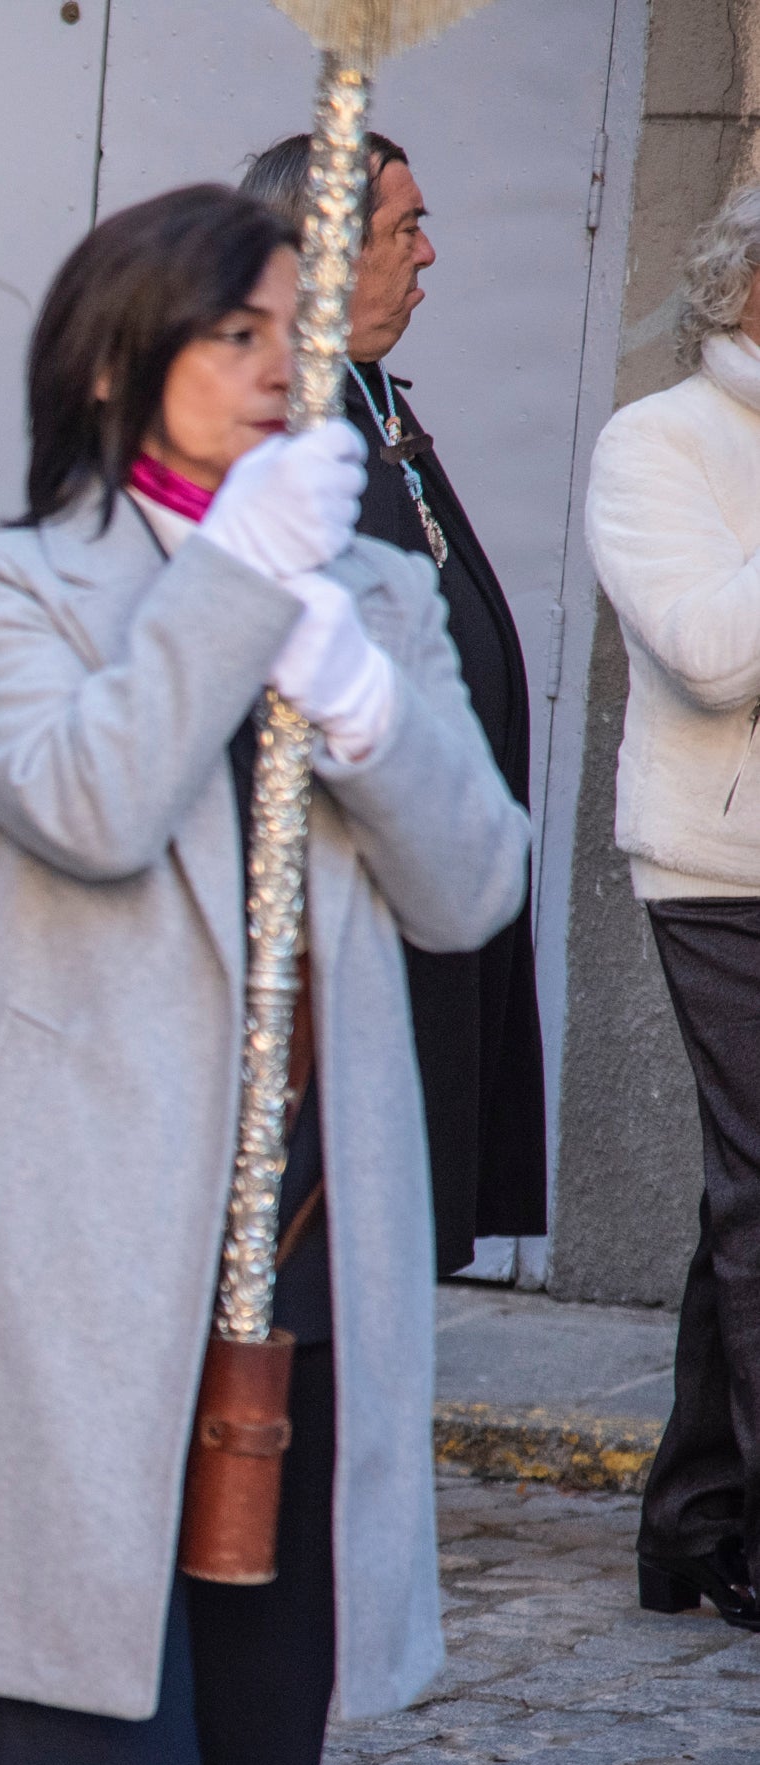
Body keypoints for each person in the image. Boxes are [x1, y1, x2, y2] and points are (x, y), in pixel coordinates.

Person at [0, 184, 528, 1765]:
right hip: (72, 1279)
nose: (274, 367)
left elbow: (476, 884)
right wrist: (230, 589)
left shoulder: (364, 582)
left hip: (295, 1271)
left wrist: (360, 689)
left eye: (292, 333)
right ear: (124, 356)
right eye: (236, 334)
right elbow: (82, 797)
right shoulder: (5, 583)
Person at [243, 131, 547, 1278]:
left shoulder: (371, 400)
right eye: (400, 228)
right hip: (350, 914)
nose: (427, 254)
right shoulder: (287, 427)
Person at [586, 181, 760, 1635]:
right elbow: (709, 651)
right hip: (722, 873)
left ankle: (694, 1520)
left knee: (746, 1201)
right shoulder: (658, 443)